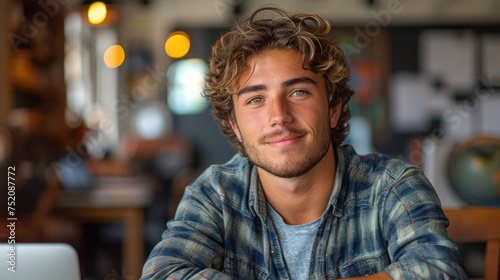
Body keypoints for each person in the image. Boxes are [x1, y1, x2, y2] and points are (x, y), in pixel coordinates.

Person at [141, 6, 467, 279]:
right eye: (255, 99)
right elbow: (162, 272)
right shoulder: (215, 194)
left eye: (298, 92)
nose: (279, 116)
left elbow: (439, 270)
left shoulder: (393, 186)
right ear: (234, 126)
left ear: (333, 109)